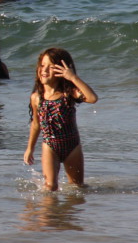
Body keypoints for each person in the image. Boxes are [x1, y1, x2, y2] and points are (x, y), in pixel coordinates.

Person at [23, 48, 98, 191]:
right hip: (50, 146)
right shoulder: (36, 98)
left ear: (61, 71)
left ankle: (67, 213)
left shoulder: (69, 94)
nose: (45, 70)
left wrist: (73, 78)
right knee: (50, 187)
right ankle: (48, 212)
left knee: (77, 188)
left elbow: (93, 98)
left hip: (72, 147)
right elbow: (36, 125)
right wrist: (30, 148)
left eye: (51, 67)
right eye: (42, 65)